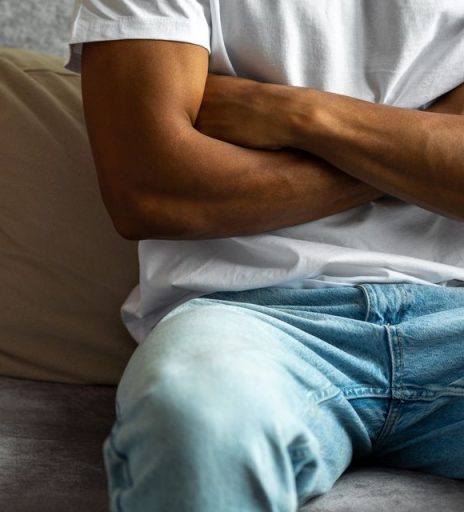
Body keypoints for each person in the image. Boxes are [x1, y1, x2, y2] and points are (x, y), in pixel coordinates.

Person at [68, 1, 464, 510]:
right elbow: (150, 192)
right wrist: (421, 143)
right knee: (195, 425)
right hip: (247, 318)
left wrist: (298, 115)